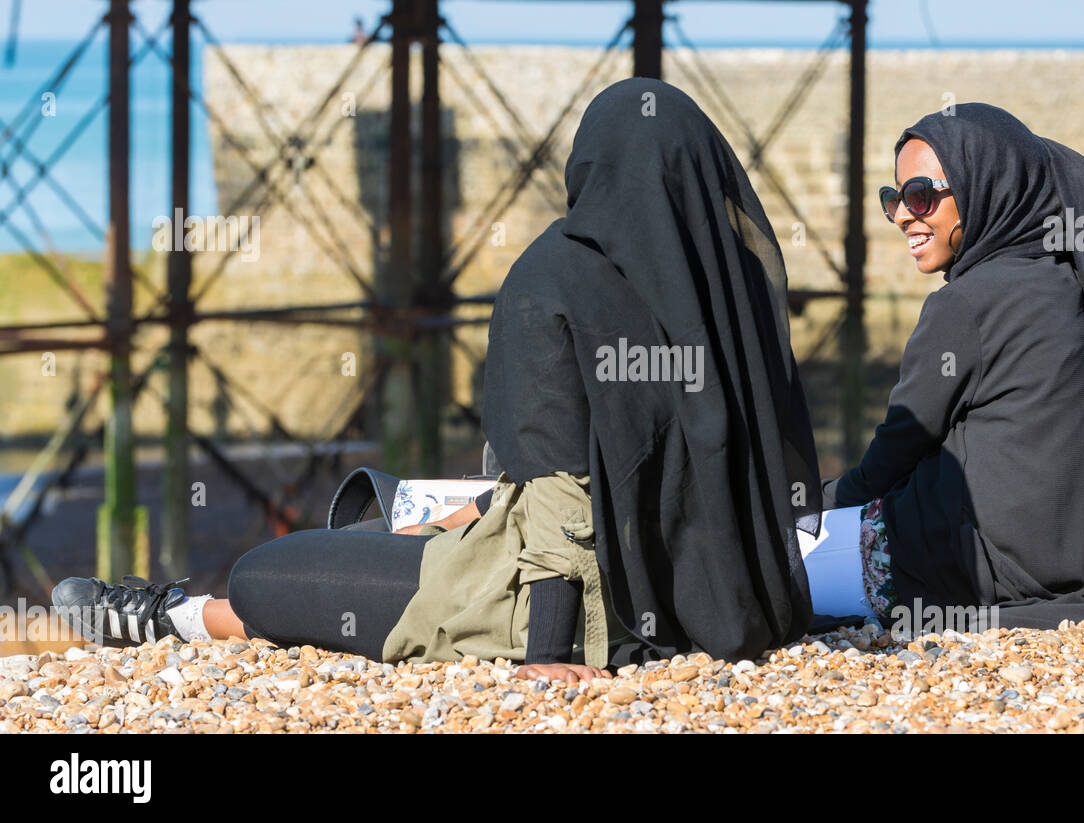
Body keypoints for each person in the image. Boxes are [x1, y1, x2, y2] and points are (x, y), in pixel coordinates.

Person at [51, 77, 823, 684]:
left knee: (265, 572)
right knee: (372, 521)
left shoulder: (554, 275)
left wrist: (549, 649)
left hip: (581, 608)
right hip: (724, 602)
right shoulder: (732, 293)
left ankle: (174, 614)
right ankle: (188, 602)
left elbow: (562, 502)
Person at [822, 102, 1084, 633]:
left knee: (757, 569)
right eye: (892, 198)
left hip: (969, 566)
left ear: (983, 187)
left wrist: (818, 504)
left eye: (920, 195)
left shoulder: (963, 305)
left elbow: (895, 452)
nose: (903, 215)